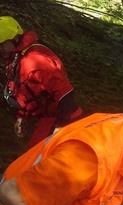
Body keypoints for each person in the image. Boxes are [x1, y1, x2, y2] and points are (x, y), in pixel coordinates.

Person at [0, 16, 84, 148]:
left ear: (15, 39)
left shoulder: (34, 60)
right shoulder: (15, 58)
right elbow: (22, 91)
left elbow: (66, 94)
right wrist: (21, 117)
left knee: (39, 161)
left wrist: (60, 128)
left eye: (1, 44)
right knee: (33, 157)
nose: (0, 49)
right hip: (48, 118)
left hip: (65, 118)